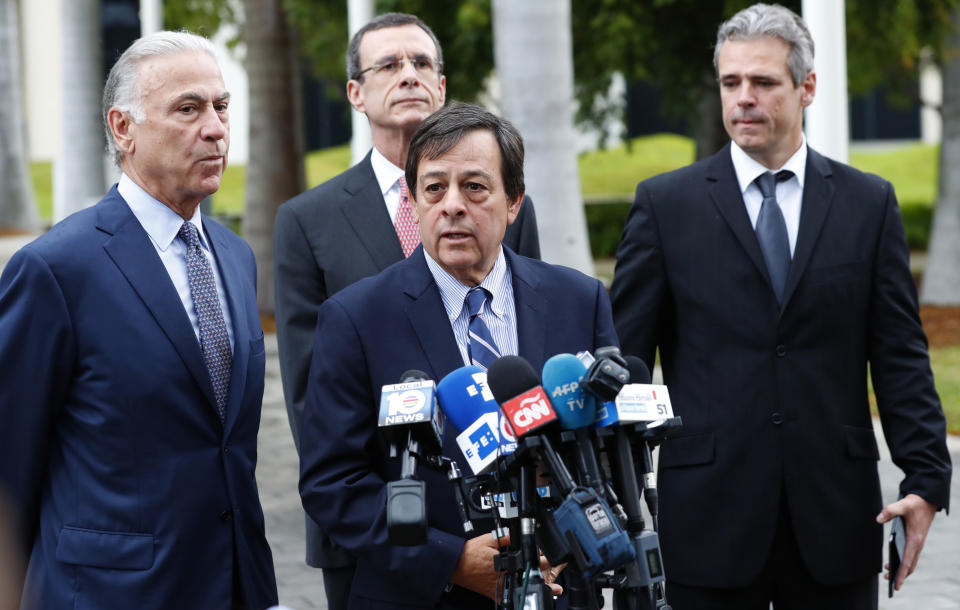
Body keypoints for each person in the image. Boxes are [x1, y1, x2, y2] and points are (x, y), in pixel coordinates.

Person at [609, 4, 952, 609]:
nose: (743, 98)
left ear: (806, 88)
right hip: (707, 518)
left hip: (836, 519)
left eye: (763, 82)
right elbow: (625, 361)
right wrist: (612, 491)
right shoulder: (665, 206)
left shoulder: (869, 205)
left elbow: (899, 353)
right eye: (730, 82)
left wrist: (925, 480)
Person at [298, 102, 616, 609]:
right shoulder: (356, 318)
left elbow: (608, 451)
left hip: (561, 589)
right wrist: (450, 560)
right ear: (414, 202)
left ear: (514, 202)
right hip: (420, 595)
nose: (452, 205)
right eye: (434, 188)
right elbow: (333, 484)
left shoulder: (579, 300)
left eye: (474, 187)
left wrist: (556, 546)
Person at [0, 31, 278, 610]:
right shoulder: (56, 269)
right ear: (123, 128)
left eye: (221, 107)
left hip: (234, 586)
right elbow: (10, 470)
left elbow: (228, 448)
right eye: (188, 109)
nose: (216, 128)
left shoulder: (234, 256)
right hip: (110, 593)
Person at [273, 13, 541, 608]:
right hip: (378, 536)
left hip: (514, 527)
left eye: (422, 64)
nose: (409, 76)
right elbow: (305, 393)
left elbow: (523, 346)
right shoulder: (307, 221)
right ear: (355, 93)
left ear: (443, 87)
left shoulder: (499, 200)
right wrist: (421, 541)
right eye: (389, 65)